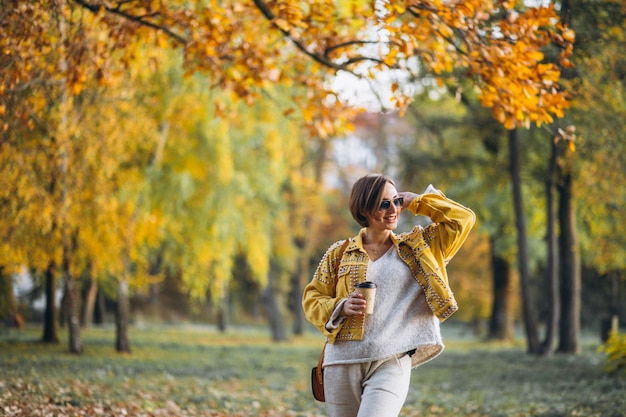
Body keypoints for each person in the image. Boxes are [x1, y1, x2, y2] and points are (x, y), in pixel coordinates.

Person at [302, 174, 476, 417]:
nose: (393, 209)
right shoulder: (339, 253)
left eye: (396, 201)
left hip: (392, 360)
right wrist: (340, 306)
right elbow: (312, 298)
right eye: (384, 204)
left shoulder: (420, 247)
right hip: (341, 361)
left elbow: (462, 219)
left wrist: (417, 201)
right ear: (364, 208)